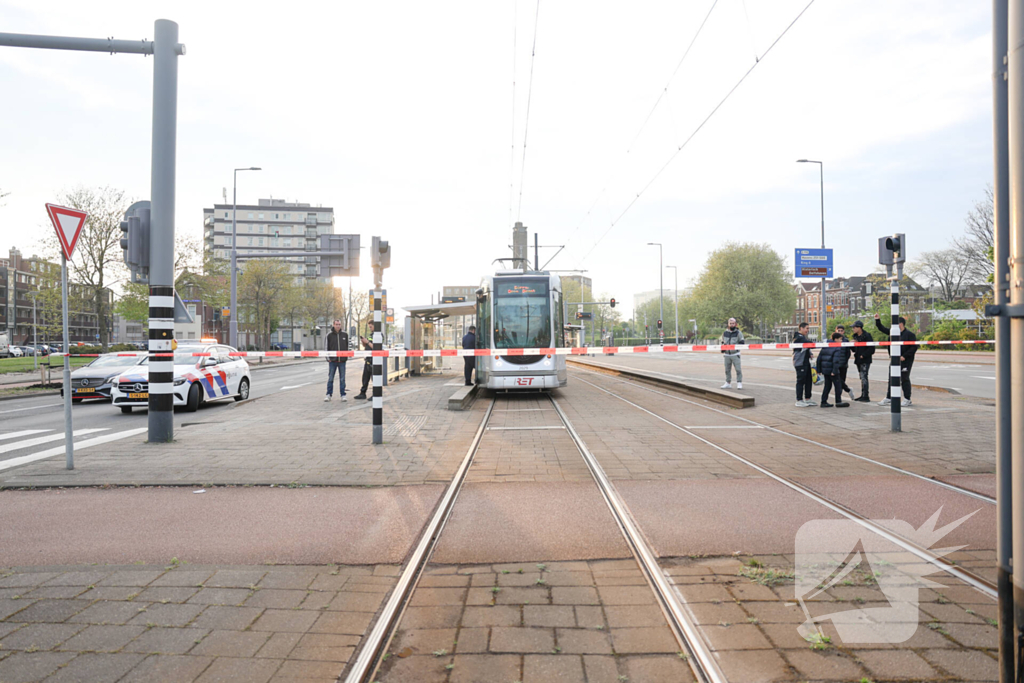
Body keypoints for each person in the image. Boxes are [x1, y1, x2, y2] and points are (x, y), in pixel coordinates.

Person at [875, 313, 917, 406]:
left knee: (904, 378)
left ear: (901, 324)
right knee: (892, 378)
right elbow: (882, 328)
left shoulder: (909, 335)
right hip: (894, 360)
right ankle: (889, 397)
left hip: (905, 361)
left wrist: (904, 356)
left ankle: (907, 399)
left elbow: (914, 347)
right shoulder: (893, 333)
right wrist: (877, 320)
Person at [817, 332, 850, 408]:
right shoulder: (837, 347)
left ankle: (823, 401)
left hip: (825, 370)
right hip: (832, 370)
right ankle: (838, 401)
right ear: (836, 339)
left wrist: (819, 370)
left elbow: (819, 358)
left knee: (827, 386)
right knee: (838, 386)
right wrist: (834, 371)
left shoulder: (825, 346)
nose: (841, 341)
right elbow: (835, 361)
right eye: (840, 339)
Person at [324, 319, 349, 402]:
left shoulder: (345, 334)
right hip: (333, 361)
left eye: (339, 324)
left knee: (342, 379)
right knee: (331, 378)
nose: (338, 326)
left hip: (342, 361)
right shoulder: (329, 335)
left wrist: (346, 357)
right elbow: (326, 347)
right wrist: (328, 358)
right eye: (336, 324)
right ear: (333, 325)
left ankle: (343, 394)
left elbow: (347, 347)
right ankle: (328, 394)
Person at [850, 320, 875, 402]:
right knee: (861, 377)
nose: (853, 329)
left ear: (859, 328)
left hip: (865, 360)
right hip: (858, 359)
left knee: (864, 377)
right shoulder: (855, 337)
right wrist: (852, 345)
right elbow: (854, 350)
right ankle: (863, 394)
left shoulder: (867, 336)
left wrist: (863, 355)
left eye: (854, 327)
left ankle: (866, 396)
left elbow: (871, 348)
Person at [792, 322, 815, 407]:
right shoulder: (799, 337)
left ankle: (808, 398)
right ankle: (799, 399)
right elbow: (808, 343)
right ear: (801, 328)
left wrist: (810, 353)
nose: (807, 330)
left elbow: (806, 347)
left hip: (806, 361)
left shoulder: (803, 337)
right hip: (800, 362)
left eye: (808, 328)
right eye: (806, 328)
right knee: (801, 381)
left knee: (808, 380)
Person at [720, 318, 744, 390]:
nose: (732, 325)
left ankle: (739, 382)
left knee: (738, 369)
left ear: (735, 324)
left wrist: (736, 347)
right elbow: (722, 341)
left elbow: (742, 342)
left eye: (733, 323)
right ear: (728, 324)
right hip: (727, 354)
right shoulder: (725, 333)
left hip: (735, 354)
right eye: (730, 323)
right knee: (727, 370)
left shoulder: (738, 333)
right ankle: (728, 383)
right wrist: (723, 348)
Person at [353, 330, 374, 400]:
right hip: (368, 359)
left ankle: (375, 394)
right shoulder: (370, 335)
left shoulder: (379, 335)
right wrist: (363, 341)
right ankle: (363, 393)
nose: (370, 328)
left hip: (374, 360)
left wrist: (367, 342)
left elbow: (376, 347)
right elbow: (366, 345)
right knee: (365, 378)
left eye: (371, 327)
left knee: (374, 378)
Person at [834, 324, 853, 395]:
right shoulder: (833, 340)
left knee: (842, 379)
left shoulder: (846, 341)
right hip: (836, 364)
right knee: (837, 379)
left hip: (843, 364)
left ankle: (840, 395)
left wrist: (845, 361)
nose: (840, 332)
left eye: (841, 331)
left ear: (843, 332)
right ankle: (847, 389)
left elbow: (848, 353)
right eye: (838, 330)